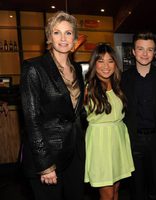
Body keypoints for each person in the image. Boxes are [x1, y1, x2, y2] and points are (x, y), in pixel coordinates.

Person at [20, 11, 85, 200]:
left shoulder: (77, 69)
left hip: (74, 153)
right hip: (48, 155)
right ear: (49, 37)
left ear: (75, 38)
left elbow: (75, 112)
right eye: (57, 33)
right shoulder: (34, 68)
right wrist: (45, 164)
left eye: (68, 33)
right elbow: (32, 121)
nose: (63, 38)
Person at [121, 32, 156, 200]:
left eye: (149, 49)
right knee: (136, 190)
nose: (145, 54)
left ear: (154, 52)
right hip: (133, 141)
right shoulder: (123, 78)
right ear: (133, 51)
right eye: (140, 49)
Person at [84, 44, 135, 200]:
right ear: (94, 64)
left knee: (116, 191)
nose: (106, 66)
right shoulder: (88, 89)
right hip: (100, 145)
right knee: (106, 194)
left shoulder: (118, 86)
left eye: (110, 61)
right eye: (101, 61)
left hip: (118, 142)